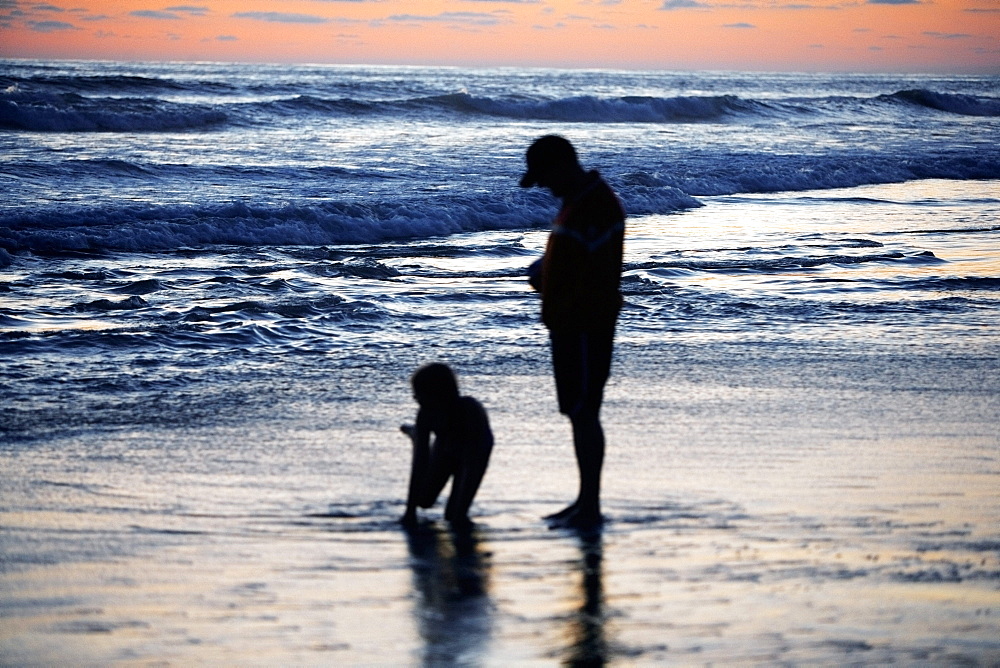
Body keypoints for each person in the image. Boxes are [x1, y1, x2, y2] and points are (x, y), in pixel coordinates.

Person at [520, 135, 625, 529]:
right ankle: (584, 502)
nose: (545, 187)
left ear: (562, 166)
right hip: (572, 321)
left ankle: (589, 506)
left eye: (545, 177)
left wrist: (546, 279)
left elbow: (592, 274)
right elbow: (576, 260)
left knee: (584, 411)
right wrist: (546, 272)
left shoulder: (593, 205)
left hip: (584, 324)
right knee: (580, 412)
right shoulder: (580, 202)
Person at [401, 363, 494, 530]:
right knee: (423, 501)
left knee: (455, 516)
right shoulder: (425, 414)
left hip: (477, 448)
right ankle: (417, 436)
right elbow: (419, 463)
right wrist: (410, 511)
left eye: (418, 395)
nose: (416, 399)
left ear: (438, 394)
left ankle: (417, 435)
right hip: (445, 444)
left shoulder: (470, 410)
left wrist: (461, 505)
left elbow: (470, 464)